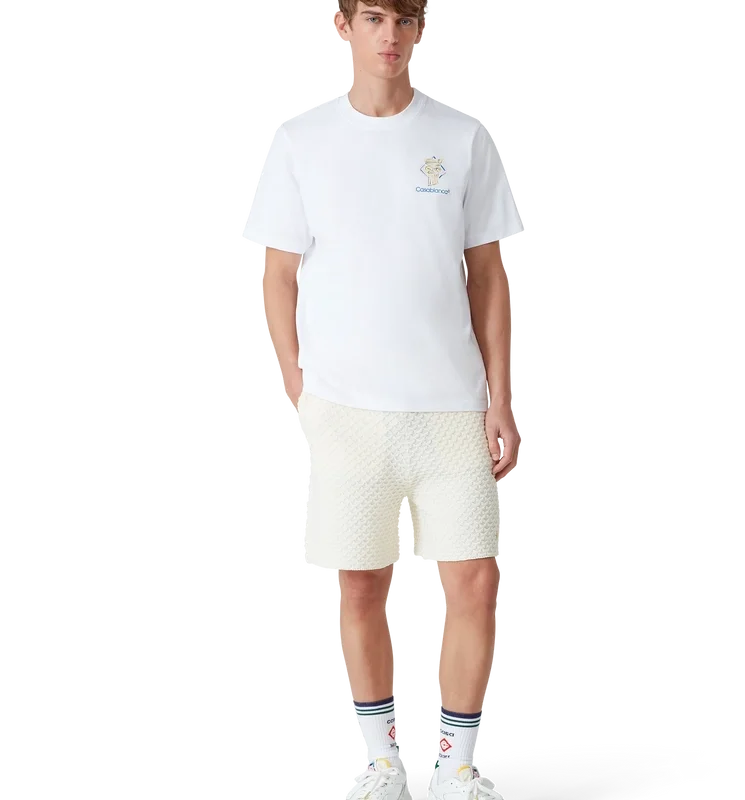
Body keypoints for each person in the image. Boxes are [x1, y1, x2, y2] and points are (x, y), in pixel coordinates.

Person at [241, 2, 522, 797]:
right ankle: (380, 761)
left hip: (452, 404)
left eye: (404, 19)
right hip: (347, 411)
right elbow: (280, 272)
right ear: (342, 26)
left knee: (475, 581)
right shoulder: (300, 139)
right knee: (361, 583)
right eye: (373, 18)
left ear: (422, 29)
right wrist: (298, 383)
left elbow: (487, 273)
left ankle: (458, 764)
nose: (389, 36)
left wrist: (501, 399)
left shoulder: (464, 136)